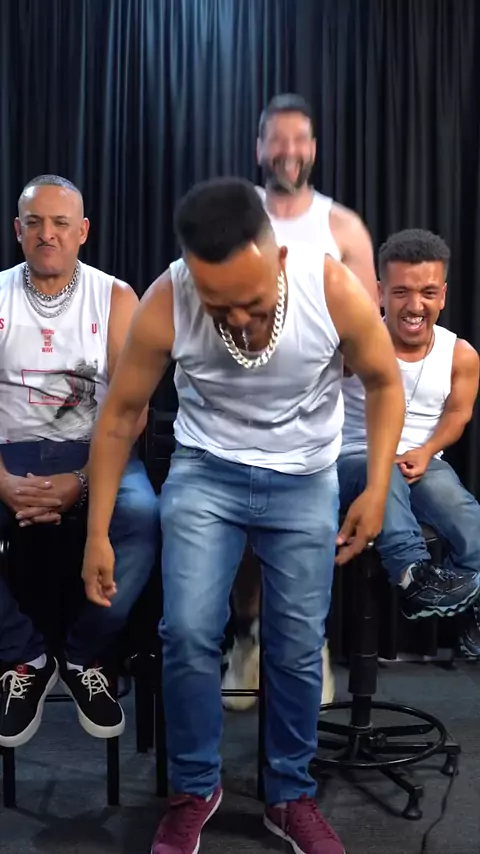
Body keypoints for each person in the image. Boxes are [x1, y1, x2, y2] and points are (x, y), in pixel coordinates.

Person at [82, 177, 405, 854]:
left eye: (250, 303)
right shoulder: (169, 298)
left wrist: (376, 488)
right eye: (217, 305)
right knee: (187, 633)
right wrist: (97, 533)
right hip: (207, 472)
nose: (235, 319)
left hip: (305, 478)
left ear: (278, 257)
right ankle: (194, 789)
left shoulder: (329, 286)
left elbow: (383, 381)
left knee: (295, 644)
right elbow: (118, 418)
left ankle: (288, 795)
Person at [223, 92, 379, 710]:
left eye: (299, 140)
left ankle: (306, 646)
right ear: (260, 147)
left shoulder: (343, 229)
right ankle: (247, 639)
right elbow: (199, 303)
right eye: (277, 139)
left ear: (313, 148)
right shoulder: (234, 214)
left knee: (302, 549)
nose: (289, 151)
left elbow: (367, 336)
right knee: (242, 550)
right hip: (234, 427)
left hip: (313, 433)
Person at [0, 175, 159, 749]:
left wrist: (83, 481)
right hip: (9, 451)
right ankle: (24, 657)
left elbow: (133, 410)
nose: (47, 234)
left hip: (97, 452)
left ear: (83, 231)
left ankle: (84, 654)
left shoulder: (115, 298)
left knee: (143, 516)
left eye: (60, 223)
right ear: (18, 230)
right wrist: (2, 482)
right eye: (35, 222)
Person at [339, 229, 480, 629]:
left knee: (464, 514)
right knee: (381, 473)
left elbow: (457, 415)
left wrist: (426, 450)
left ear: (443, 295)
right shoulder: (355, 343)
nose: (415, 305)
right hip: (353, 458)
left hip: (421, 461)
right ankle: (413, 580)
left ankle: (473, 606)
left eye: (428, 293)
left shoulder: (461, 355)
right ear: (380, 292)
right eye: (401, 292)